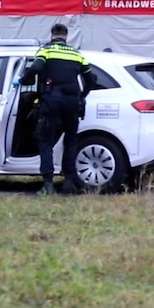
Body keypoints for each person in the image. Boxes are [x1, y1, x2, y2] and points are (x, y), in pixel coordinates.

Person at [20, 23, 96, 195]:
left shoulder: (46, 50)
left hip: (51, 100)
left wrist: (24, 80)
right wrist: (82, 96)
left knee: (46, 141)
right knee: (70, 141)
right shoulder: (77, 54)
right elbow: (90, 79)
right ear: (66, 36)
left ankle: (48, 184)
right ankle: (69, 182)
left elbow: (36, 67)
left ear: (52, 35)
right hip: (72, 102)